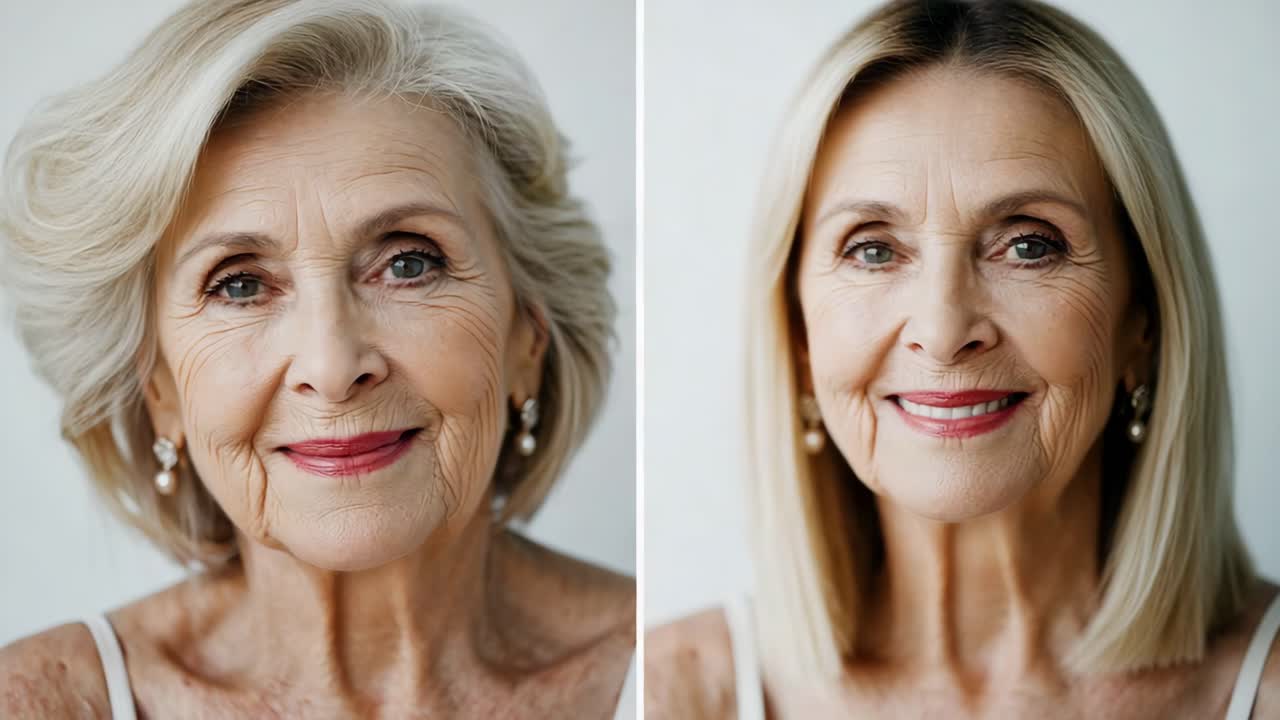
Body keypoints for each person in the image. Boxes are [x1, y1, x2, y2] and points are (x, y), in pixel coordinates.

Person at [0, 1, 634, 717]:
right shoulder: (35, 703)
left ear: (528, 337)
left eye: (408, 265)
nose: (333, 368)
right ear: (160, 389)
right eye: (240, 285)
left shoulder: (674, 680)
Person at [647, 1, 1278, 717]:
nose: (944, 330)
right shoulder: (669, 695)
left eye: (1029, 244)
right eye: (874, 249)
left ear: (1144, 322)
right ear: (798, 338)